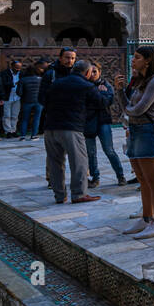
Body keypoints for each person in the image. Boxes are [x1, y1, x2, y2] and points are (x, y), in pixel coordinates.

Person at [119, 46, 154, 238]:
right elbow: (127, 105)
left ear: (148, 60)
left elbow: (139, 109)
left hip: (148, 131)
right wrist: (119, 91)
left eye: (137, 57)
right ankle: (147, 217)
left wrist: (128, 110)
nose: (133, 60)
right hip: (135, 130)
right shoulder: (141, 80)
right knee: (142, 178)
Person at [42, 60, 102, 205]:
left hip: (50, 127)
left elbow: (43, 99)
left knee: (55, 162)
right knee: (79, 162)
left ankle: (59, 195)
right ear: (87, 72)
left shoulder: (57, 83)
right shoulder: (87, 86)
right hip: (71, 128)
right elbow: (101, 103)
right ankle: (79, 194)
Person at [84, 62, 126, 188]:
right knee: (91, 152)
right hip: (88, 122)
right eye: (89, 71)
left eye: (95, 71)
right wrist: (99, 94)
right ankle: (95, 178)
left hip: (103, 121)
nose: (92, 74)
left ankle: (120, 175)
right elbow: (84, 102)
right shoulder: (84, 86)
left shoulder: (106, 85)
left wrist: (98, 96)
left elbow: (107, 102)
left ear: (100, 72)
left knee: (109, 150)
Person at [17, 63, 44, 140]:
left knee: (24, 118)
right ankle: (34, 135)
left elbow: (19, 92)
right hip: (39, 101)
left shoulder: (22, 80)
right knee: (37, 118)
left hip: (26, 101)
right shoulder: (41, 79)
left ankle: (22, 136)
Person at [1, 58, 23, 138]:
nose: (18, 69)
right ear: (12, 66)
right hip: (7, 97)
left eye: (19, 67)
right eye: (16, 67)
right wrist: (14, 84)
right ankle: (8, 131)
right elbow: (3, 84)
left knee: (15, 115)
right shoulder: (4, 73)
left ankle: (13, 130)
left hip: (17, 97)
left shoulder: (21, 73)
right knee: (7, 115)